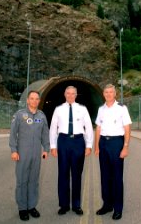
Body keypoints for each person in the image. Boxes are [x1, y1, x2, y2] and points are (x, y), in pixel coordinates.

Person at [49, 85, 93, 216]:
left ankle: (76, 205)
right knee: (63, 174)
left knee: (77, 175)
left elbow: (89, 127)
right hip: (63, 141)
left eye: (73, 93)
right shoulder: (58, 109)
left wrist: (89, 145)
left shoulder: (82, 109)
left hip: (78, 142)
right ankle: (64, 205)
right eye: (68, 93)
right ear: (64, 94)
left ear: (76, 95)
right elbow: (53, 128)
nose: (70, 95)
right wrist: (53, 146)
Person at [9, 90, 50, 221]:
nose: (34, 101)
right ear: (27, 100)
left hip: (36, 155)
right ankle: (22, 208)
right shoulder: (20, 115)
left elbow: (45, 134)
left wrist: (46, 149)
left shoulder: (42, 116)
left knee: (33, 181)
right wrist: (14, 150)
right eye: (31, 98)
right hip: (22, 154)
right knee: (22, 181)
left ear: (39, 101)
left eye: (36, 99)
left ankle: (32, 206)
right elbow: (13, 134)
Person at [94, 84, 132, 221]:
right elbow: (98, 128)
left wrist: (125, 146)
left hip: (117, 143)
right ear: (103, 94)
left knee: (116, 177)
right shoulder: (101, 109)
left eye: (111, 92)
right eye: (106, 92)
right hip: (103, 143)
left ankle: (118, 208)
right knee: (105, 176)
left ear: (115, 94)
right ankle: (107, 205)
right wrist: (97, 146)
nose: (108, 94)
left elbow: (127, 128)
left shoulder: (122, 108)